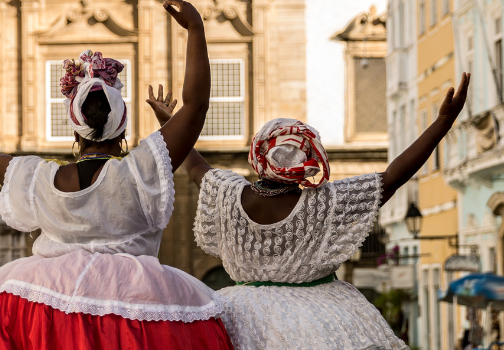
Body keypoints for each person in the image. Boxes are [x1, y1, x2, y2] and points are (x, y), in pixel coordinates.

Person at [0, 1, 232, 348]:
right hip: (134, 298)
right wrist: (195, 29)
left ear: (76, 133)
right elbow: (196, 105)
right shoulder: (141, 171)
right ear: (122, 130)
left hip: (48, 302)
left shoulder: (40, 179)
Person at [145, 73, 470, 349]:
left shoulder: (228, 194)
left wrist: (169, 123)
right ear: (308, 163)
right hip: (325, 314)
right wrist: (442, 123)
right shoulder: (323, 204)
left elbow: (194, 165)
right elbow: (393, 177)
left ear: (258, 155)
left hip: (239, 315)